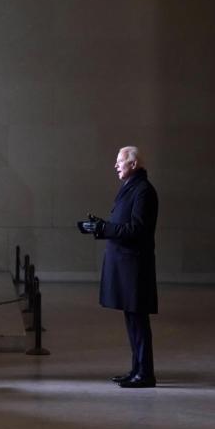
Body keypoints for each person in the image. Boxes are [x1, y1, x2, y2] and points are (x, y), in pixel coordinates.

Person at [79, 146, 159, 388]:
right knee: (132, 320)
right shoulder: (132, 187)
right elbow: (124, 223)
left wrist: (105, 228)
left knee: (138, 321)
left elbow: (137, 229)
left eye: (120, 161)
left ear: (133, 164)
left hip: (134, 265)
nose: (115, 166)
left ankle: (145, 374)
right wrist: (100, 227)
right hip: (127, 265)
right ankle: (137, 369)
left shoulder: (143, 190)